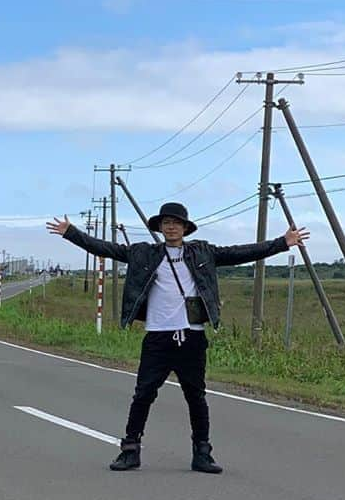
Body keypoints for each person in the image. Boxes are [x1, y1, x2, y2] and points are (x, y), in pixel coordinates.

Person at [46, 202, 309, 473]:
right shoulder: (143, 253)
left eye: (176, 222)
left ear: (185, 227)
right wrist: (71, 232)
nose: (171, 227)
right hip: (158, 337)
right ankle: (130, 451)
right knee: (143, 395)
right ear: (159, 227)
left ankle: (202, 454)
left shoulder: (202, 252)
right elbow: (106, 249)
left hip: (192, 337)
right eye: (166, 222)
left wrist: (283, 242)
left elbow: (241, 253)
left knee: (196, 396)